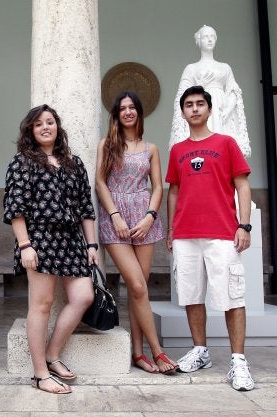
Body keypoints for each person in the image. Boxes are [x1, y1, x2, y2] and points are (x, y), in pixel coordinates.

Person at [3, 104, 97, 394]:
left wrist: (92, 244)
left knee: (84, 296)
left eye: (50, 122)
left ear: (58, 127)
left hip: (72, 240)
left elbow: (85, 207)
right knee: (41, 305)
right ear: (30, 130)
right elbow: (15, 208)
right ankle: (40, 374)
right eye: (38, 124)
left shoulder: (73, 163)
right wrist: (25, 246)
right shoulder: (22, 162)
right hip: (39, 239)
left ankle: (52, 354)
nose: (45, 127)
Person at [166, 85, 254, 391]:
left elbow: (242, 185)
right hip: (186, 235)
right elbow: (174, 191)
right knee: (191, 295)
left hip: (221, 233)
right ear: (183, 112)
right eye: (188, 105)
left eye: (199, 104)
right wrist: (171, 229)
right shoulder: (177, 150)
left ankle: (238, 361)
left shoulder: (226, 143)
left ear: (209, 109)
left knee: (231, 297)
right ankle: (200, 351)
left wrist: (244, 225)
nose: (194, 109)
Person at [95, 91, 178, 374]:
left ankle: (138, 353)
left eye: (132, 107)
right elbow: (100, 182)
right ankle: (158, 351)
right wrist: (115, 216)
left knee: (137, 289)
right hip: (114, 219)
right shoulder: (107, 144)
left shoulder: (150, 148)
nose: (128, 112)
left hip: (144, 218)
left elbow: (157, 186)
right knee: (140, 287)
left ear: (139, 113)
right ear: (116, 114)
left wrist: (150, 217)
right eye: (123, 108)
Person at [170, 25, 251, 158]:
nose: (209, 40)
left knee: (222, 144)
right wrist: (200, 86)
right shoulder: (191, 68)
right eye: (206, 37)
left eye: (212, 36)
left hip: (220, 108)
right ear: (199, 40)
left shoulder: (225, 67)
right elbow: (182, 95)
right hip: (201, 105)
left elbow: (234, 91)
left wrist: (227, 110)